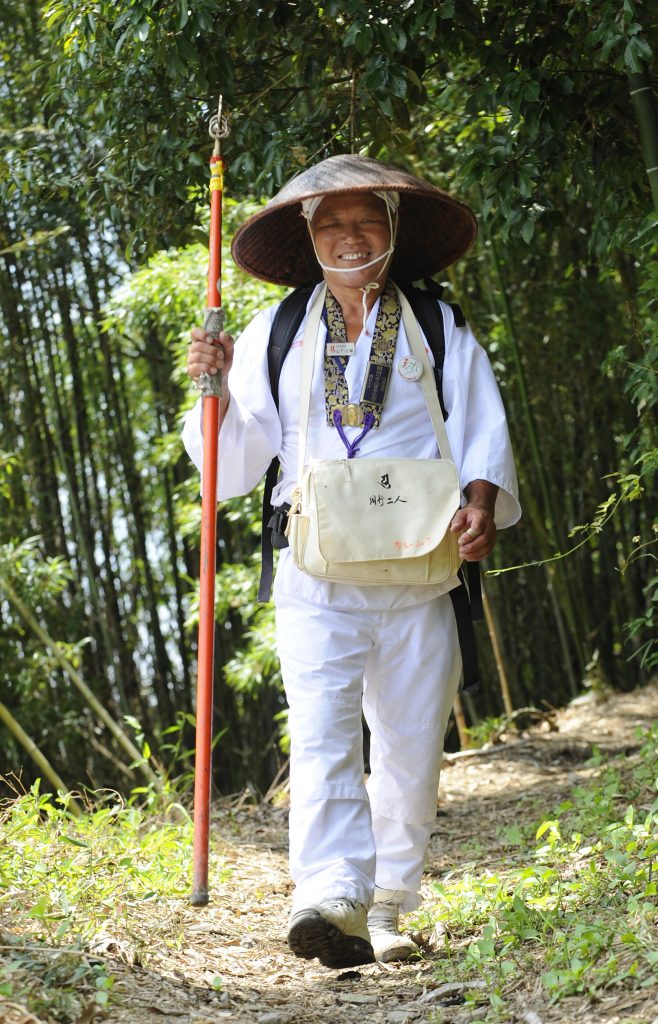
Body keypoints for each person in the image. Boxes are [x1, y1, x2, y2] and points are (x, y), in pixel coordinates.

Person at [183, 154, 520, 970]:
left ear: (392, 229)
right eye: (329, 222)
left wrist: (479, 502)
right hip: (315, 573)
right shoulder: (275, 333)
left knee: (408, 744)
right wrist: (213, 391)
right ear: (308, 236)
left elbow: (480, 425)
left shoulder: (440, 325)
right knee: (323, 733)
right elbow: (230, 469)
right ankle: (330, 894)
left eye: (364, 218)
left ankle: (390, 905)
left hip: (421, 565)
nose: (348, 235)